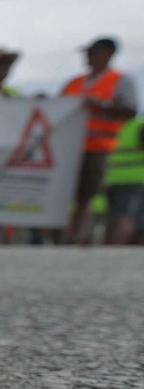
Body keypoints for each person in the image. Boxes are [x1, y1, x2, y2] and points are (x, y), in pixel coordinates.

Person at [63, 38, 139, 243]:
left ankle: (77, 236)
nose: (87, 57)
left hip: (99, 147)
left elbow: (130, 110)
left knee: (87, 194)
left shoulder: (120, 80)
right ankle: (65, 235)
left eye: (92, 53)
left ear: (108, 53)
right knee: (65, 193)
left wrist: (101, 105)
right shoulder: (75, 82)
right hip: (68, 147)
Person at [104, 115, 144, 245]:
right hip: (133, 180)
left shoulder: (115, 125)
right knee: (125, 218)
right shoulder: (138, 125)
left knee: (120, 218)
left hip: (113, 178)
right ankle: (116, 254)